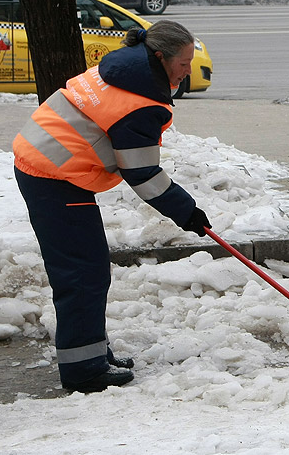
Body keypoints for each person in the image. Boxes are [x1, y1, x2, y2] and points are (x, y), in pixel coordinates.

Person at [13, 21, 213, 393]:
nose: (188, 71)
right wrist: (186, 211)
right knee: (82, 272)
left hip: (48, 162)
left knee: (87, 267)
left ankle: (92, 352)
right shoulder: (139, 102)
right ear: (160, 57)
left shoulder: (126, 70)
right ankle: (84, 371)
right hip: (52, 174)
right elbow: (141, 172)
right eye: (184, 63)